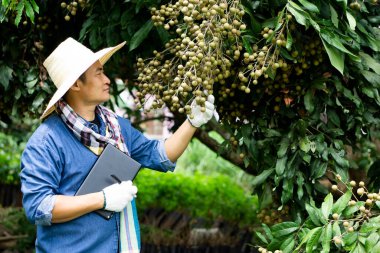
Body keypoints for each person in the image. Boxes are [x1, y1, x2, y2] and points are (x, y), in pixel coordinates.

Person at [20, 37, 217, 253]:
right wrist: (102, 199)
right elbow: (39, 207)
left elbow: (160, 155)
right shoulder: (47, 141)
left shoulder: (116, 128)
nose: (107, 80)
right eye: (99, 73)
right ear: (76, 83)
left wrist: (192, 122)